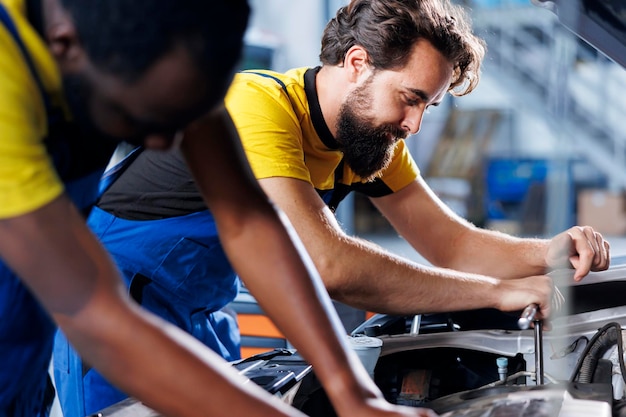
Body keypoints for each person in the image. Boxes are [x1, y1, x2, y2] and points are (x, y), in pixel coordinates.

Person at [53, 0, 611, 415]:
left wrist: (546, 253)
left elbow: (451, 244)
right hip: (113, 310)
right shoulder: (260, 106)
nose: (414, 124)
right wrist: (499, 293)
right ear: (357, 62)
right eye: (411, 98)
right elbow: (329, 265)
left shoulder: (370, 140)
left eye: (429, 106)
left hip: (204, 313)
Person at [0, 0, 438, 417]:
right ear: (65, 45)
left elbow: (248, 221)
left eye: (184, 118)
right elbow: (96, 315)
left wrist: (353, 393)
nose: (166, 145)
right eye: (140, 119)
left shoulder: (167, 49)